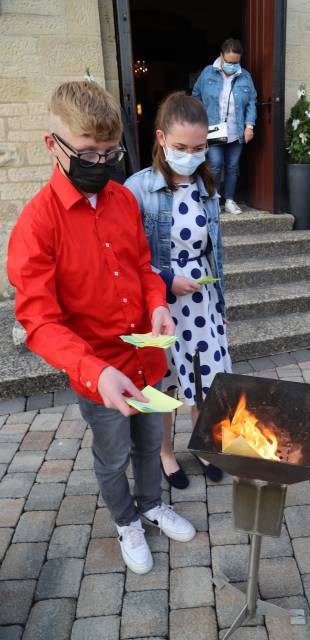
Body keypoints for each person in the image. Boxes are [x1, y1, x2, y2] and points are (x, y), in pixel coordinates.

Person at [7, 81, 196, 576]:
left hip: (146, 356)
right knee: (112, 455)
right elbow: (39, 322)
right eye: (89, 153)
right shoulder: (36, 225)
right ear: (55, 144)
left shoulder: (122, 200)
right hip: (98, 371)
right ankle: (126, 519)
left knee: (151, 437)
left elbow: (142, 267)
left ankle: (152, 503)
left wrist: (157, 304)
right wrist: (93, 370)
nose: (102, 163)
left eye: (111, 152)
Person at [125, 92, 232, 489]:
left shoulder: (207, 185)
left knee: (204, 382)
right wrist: (168, 279)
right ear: (161, 138)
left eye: (200, 147)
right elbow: (125, 257)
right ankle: (166, 455)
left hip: (201, 303)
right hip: (161, 304)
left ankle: (202, 446)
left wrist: (220, 303)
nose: (191, 154)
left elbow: (214, 253)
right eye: (182, 147)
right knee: (167, 384)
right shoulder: (137, 189)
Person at [192, 37, 257, 214]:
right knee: (215, 164)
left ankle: (229, 200)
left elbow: (252, 101)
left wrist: (249, 126)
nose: (232, 65)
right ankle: (213, 198)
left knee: (233, 167)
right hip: (214, 129)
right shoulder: (207, 73)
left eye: (236, 62)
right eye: (229, 62)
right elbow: (196, 94)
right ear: (221, 56)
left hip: (236, 130)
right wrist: (201, 118)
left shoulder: (245, 76)